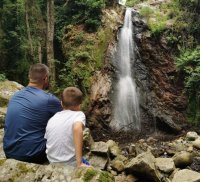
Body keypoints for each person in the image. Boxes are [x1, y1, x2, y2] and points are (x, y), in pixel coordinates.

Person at [3, 63, 62, 164]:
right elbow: (67, 119)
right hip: (33, 155)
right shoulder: (49, 99)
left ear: (29, 77)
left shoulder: (15, 96)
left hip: (9, 152)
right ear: (46, 78)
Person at [45, 87, 88, 167]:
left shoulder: (53, 118)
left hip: (51, 162)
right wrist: (79, 163)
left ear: (61, 103)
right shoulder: (79, 114)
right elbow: (77, 128)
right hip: (69, 163)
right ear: (80, 105)